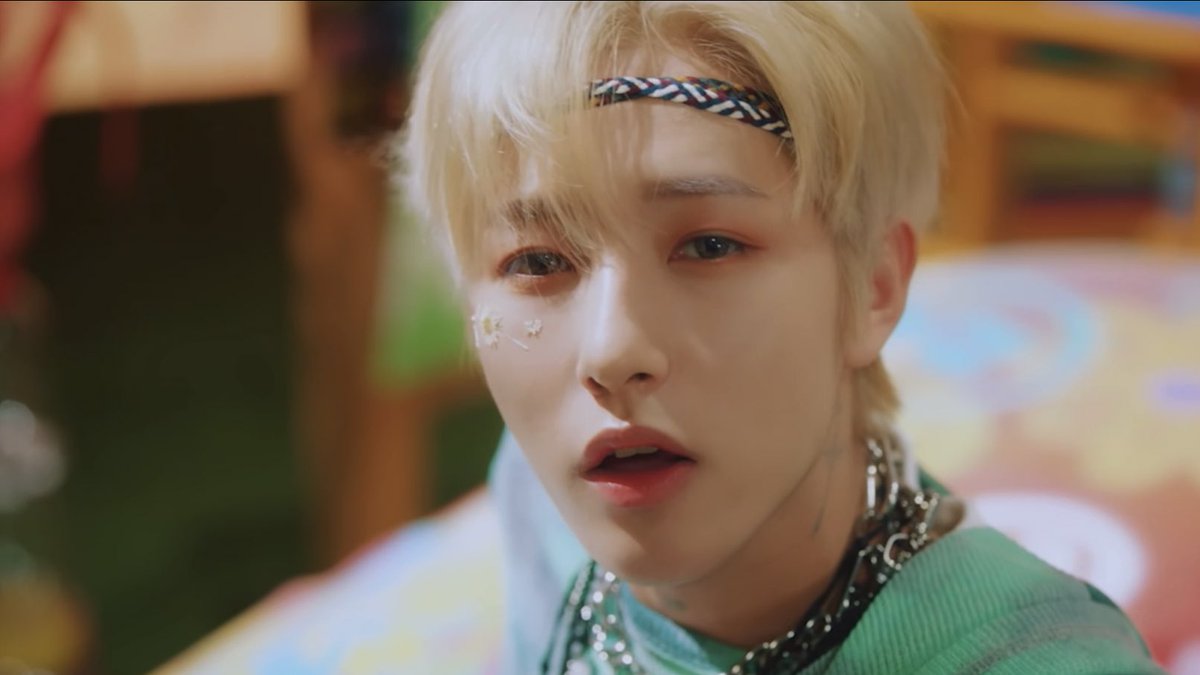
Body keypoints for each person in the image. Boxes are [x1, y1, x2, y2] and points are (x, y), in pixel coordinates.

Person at [400, 2, 1163, 673]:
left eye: (708, 247)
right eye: (537, 262)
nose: (610, 353)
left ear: (873, 286)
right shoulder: (546, 504)